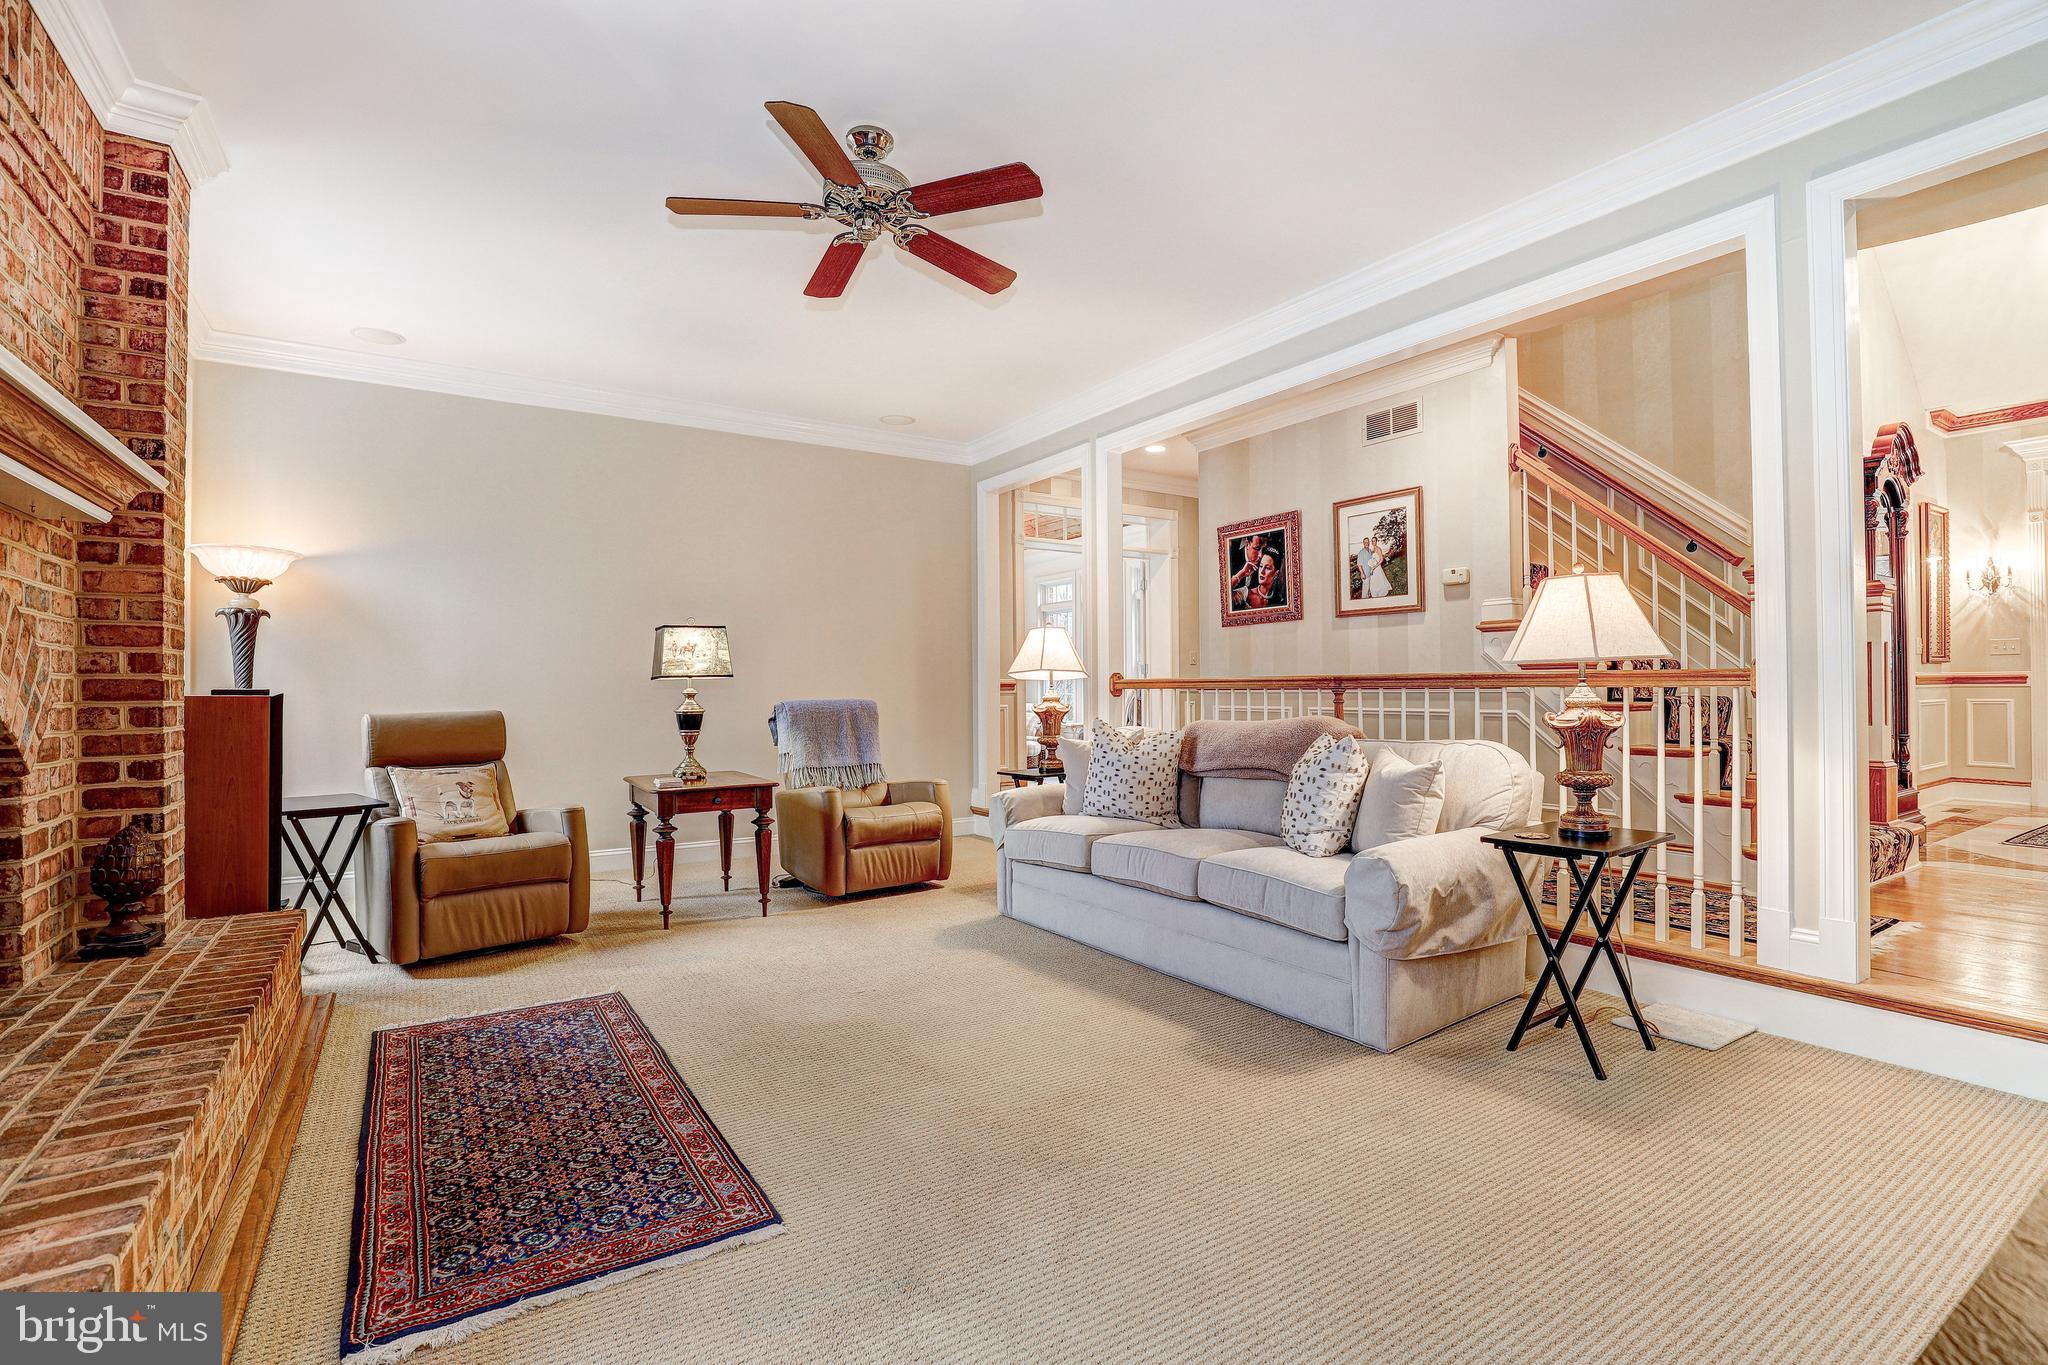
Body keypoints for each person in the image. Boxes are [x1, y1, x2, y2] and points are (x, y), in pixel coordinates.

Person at [1228, 532, 1268, 607]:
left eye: (1263, 549)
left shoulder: (1264, 564)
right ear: (1246, 544)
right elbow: (1221, 592)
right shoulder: (1230, 557)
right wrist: (1241, 574)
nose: (1260, 555)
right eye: (1257, 548)